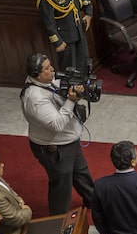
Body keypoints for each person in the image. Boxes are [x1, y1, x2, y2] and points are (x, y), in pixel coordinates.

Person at [20, 53, 94, 215]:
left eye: (50, 65)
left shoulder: (45, 82)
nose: (53, 69)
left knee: (81, 173)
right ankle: (58, 220)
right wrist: (71, 100)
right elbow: (57, 125)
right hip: (54, 148)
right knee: (61, 185)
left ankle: (95, 202)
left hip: (69, 141)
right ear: (36, 74)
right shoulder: (34, 98)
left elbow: (58, 85)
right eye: (47, 68)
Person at [35, 0, 92, 75]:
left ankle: (84, 89)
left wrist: (88, 14)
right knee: (69, 70)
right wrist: (58, 42)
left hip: (79, 31)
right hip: (65, 38)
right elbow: (48, 22)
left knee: (84, 64)